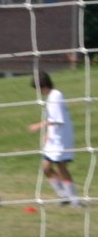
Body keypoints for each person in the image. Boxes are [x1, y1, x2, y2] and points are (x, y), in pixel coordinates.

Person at [30, 70, 80, 206]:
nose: (38, 92)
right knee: (46, 167)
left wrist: (38, 126)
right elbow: (52, 119)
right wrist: (47, 134)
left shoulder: (56, 96)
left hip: (61, 138)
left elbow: (58, 119)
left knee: (61, 167)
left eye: (38, 88)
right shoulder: (51, 97)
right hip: (54, 139)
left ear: (43, 85)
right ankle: (64, 196)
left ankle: (74, 199)